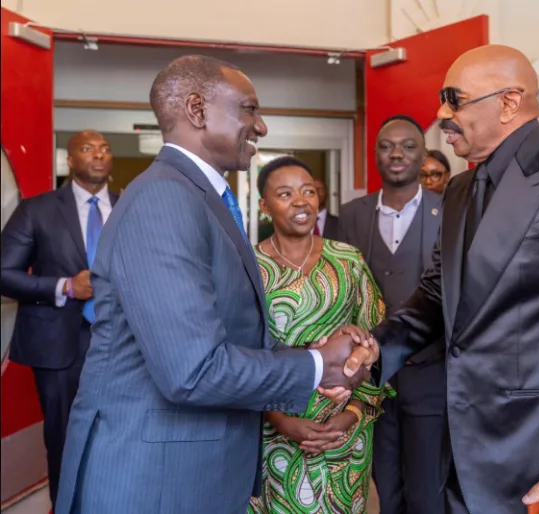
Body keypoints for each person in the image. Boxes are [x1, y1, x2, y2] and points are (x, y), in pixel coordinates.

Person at [346, 44, 539, 514]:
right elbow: (438, 293)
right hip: (463, 454)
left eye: (454, 98)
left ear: (509, 103)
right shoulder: (458, 189)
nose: (441, 113)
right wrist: (376, 347)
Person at [54, 55, 372, 514]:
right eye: (249, 109)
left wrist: (318, 354)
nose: (260, 127)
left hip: (188, 471)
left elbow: (226, 336)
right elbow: (193, 370)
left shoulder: (201, 197)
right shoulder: (165, 199)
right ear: (198, 111)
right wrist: (317, 366)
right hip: (155, 480)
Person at [248, 156, 393, 514]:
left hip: (344, 438)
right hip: (274, 434)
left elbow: (378, 345)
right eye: (285, 194)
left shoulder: (348, 261)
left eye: (308, 191)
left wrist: (353, 415)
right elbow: (240, 356)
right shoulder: (248, 268)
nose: (301, 201)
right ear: (264, 206)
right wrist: (280, 420)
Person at [0, 130, 117, 508]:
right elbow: (4, 273)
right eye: (87, 149)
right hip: (59, 342)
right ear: (69, 160)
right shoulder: (37, 209)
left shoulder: (131, 206)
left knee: (120, 434)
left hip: (123, 340)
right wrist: (66, 286)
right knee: (63, 437)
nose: (98, 156)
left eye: (104, 149)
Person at [337, 115, 446, 514]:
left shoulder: (449, 210)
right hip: (368, 378)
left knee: (427, 490)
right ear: (376, 154)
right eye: (386, 146)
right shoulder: (350, 215)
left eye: (407, 146)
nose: (396, 153)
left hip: (432, 372)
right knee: (384, 486)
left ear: (424, 156)